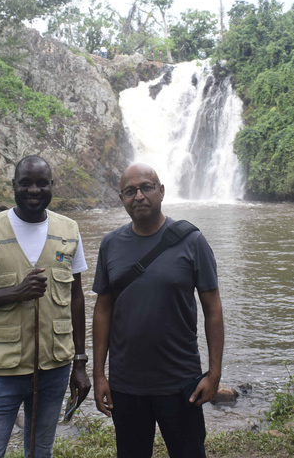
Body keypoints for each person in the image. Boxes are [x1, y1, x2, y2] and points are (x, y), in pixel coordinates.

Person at [0, 155, 91, 458]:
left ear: (52, 186)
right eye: (25, 183)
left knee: (41, 451)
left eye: (41, 183)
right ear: (13, 186)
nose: (33, 190)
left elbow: (77, 297)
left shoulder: (69, 231)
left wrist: (80, 363)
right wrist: (14, 293)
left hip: (54, 367)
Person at [92, 163, 224, 458]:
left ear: (161, 191)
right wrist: (99, 374)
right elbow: (102, 311)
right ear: (121, 198)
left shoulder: (192, 241)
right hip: (126, 385)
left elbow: (213, 309)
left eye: (146, 187)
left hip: (181, 381)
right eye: (130, 191)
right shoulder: (110, 244)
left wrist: (214, 374)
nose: (139, 196)